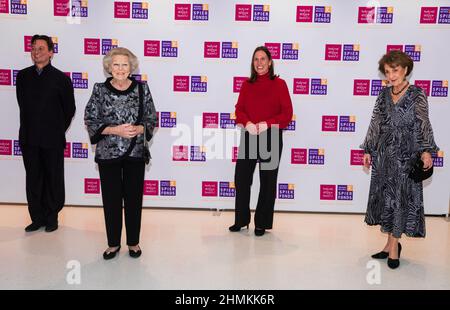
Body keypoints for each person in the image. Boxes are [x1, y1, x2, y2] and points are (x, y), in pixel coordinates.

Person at [361, 50, 439, 269]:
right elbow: (375, 123)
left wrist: (426, 151)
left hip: (406, 157)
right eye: (387, 71)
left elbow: (423, 123)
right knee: (388, 200)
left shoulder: (417, 94)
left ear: (405, 69)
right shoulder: (383, 95)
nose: (391, 75)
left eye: (395, 70)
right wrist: (368, 149)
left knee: (400, 201)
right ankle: (389, 243)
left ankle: (394, 247)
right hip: (385, 157)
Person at [84, 47, 157, 260]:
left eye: (125, 64)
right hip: (108, 154)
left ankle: (133, 242)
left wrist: (140, 129)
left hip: (135, 152)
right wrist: (115, 130)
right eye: (116, 64)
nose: (120, 69)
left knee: (134, 200)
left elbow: (152, 119)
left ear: (131, 67)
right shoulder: (99, 89)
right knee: (111, 200)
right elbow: (91, 119)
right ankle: (113, 244)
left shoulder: (142, 89)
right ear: (109, 67)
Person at [229, 46, 293, 236]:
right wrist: (246, 122)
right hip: (250, 135)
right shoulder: (247, 84)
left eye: (263, 59)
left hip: (271, 137)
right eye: (256, 59)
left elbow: (287, 114)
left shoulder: (279, 84)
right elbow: (239, 109)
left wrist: (269, 123)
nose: (259, 63)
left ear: (270, 62)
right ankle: (241, 220)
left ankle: (261, 223)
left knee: (267, 181)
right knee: (241, 179)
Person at [16, 34, 76, 233]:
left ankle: (52, 217)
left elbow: (69, 110)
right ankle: (37, 217)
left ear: (51, 52)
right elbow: (22, 105)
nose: (36, 52)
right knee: (33, 178)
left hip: (52, 139)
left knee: (53, 178)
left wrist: (56, 128)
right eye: (33, 48)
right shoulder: (23, 76)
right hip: (29, 137)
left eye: (41, 48)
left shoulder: (61, 79)